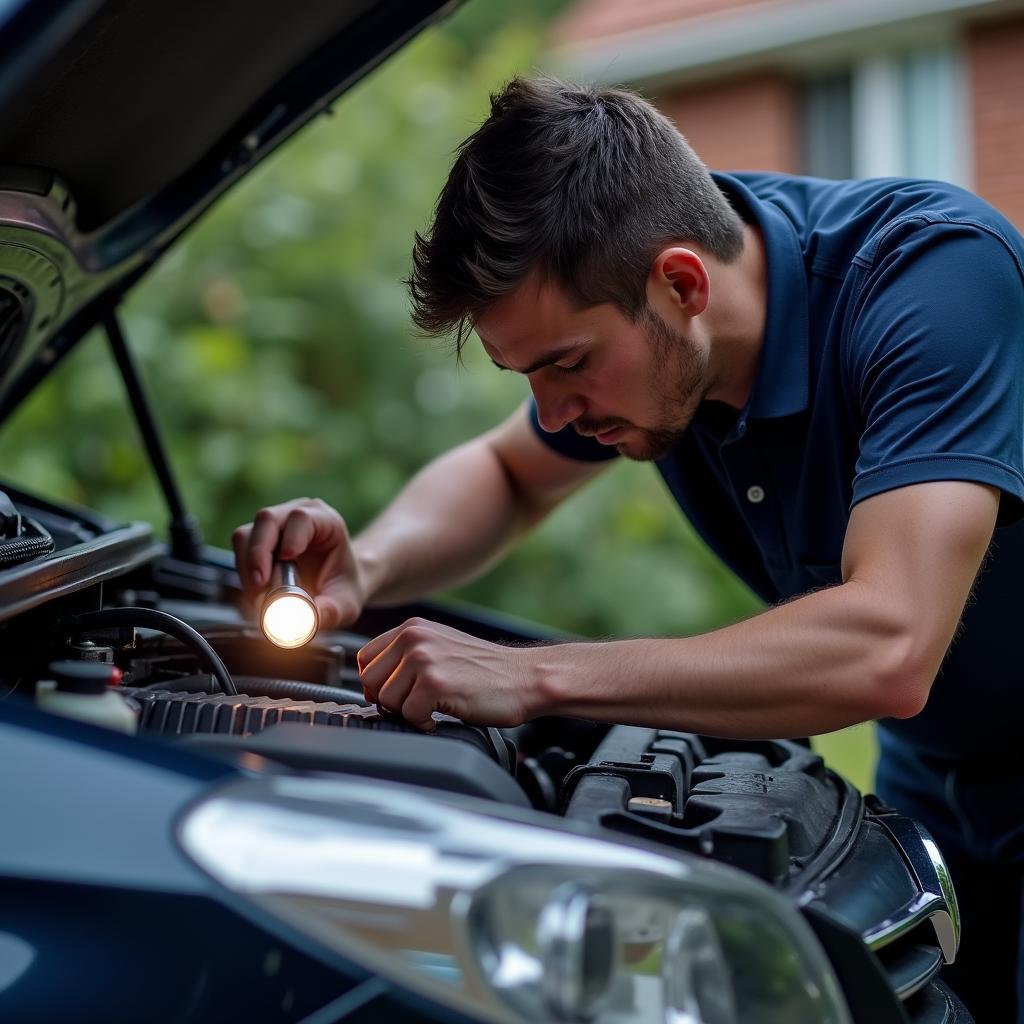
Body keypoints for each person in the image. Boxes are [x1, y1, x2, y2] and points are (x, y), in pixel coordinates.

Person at [233, 77, 1024, 1021]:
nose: (555, 410)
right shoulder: (650, 321)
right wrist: (369, 566)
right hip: (939, 781)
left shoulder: (932, 283)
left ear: (683, 283)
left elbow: (889, 644)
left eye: (566, 363)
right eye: (527, 374)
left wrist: (535, 676)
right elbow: (510, 472)